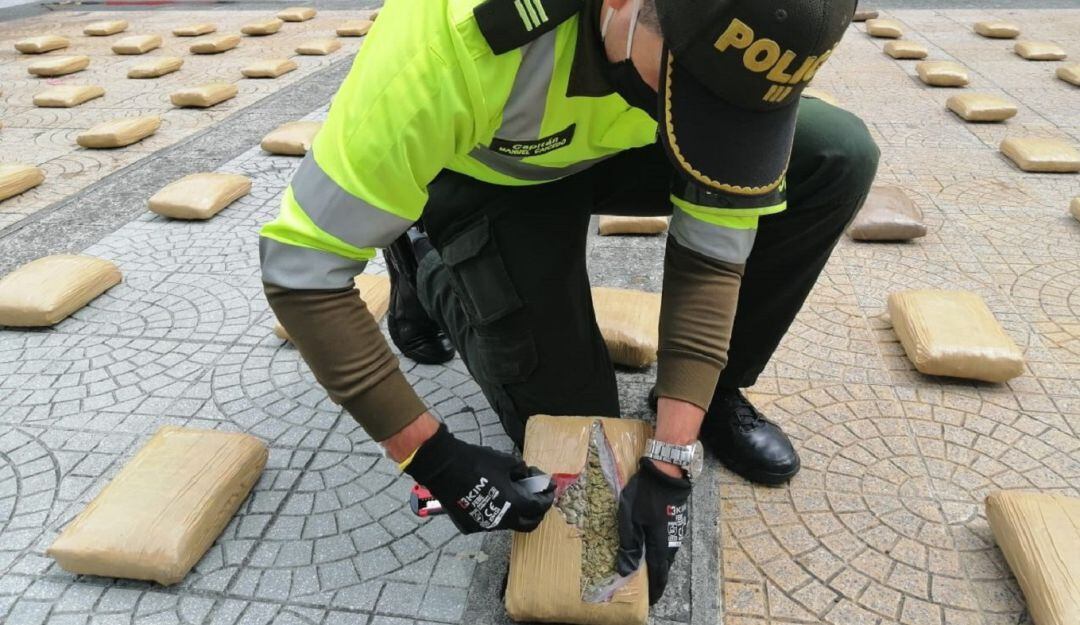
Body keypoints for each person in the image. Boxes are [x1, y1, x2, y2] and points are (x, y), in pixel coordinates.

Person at [260, 0, 877, 605]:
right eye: (688, 91)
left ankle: (716, 395)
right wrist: (432, 457)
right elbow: (302, 271)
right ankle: (419, 252)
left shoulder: (712, 50)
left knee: (836, 155)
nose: (712, 121)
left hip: (614, 141)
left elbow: (713, 252)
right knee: (583, 446)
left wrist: (671, 458)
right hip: (489, 168)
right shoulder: (443, 48)